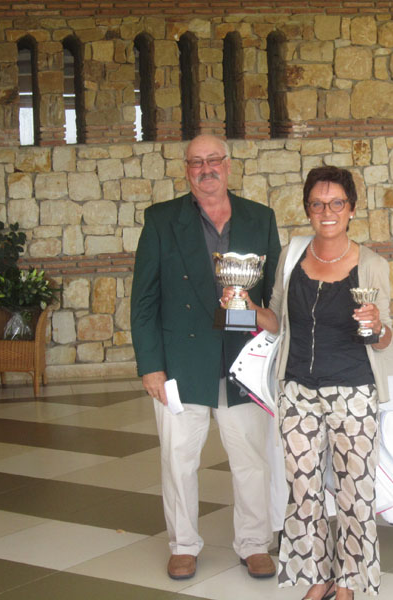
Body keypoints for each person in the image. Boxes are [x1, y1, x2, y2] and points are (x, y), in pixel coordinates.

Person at [227, 165, 392, 600]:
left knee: (355, 493)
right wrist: (242, 305)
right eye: (317, 204)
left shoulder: (372, 264)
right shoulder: (291, 256)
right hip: (297, 391)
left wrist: (377, 325)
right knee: (303, 490)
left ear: (351, 209)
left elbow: (384, 337)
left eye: (337, 203)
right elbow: (276, 319)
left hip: (353, 392)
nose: (327, 211)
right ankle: (318, 578)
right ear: (307, 209)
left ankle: (349, 583)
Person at [131, 134, 281, 581]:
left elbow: (274, 294)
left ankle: (254, 543)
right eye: (196, 162)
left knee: (252, 459)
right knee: (179, 459)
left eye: (214, 160)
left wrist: (262, 321)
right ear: (186, 170)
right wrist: (151, 366)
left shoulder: (260, 218)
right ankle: (182, 544)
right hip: (181, 361)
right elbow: (144, 301)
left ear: (228, 165)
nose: (206, 169)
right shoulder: (161, 220)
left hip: (244, 360)